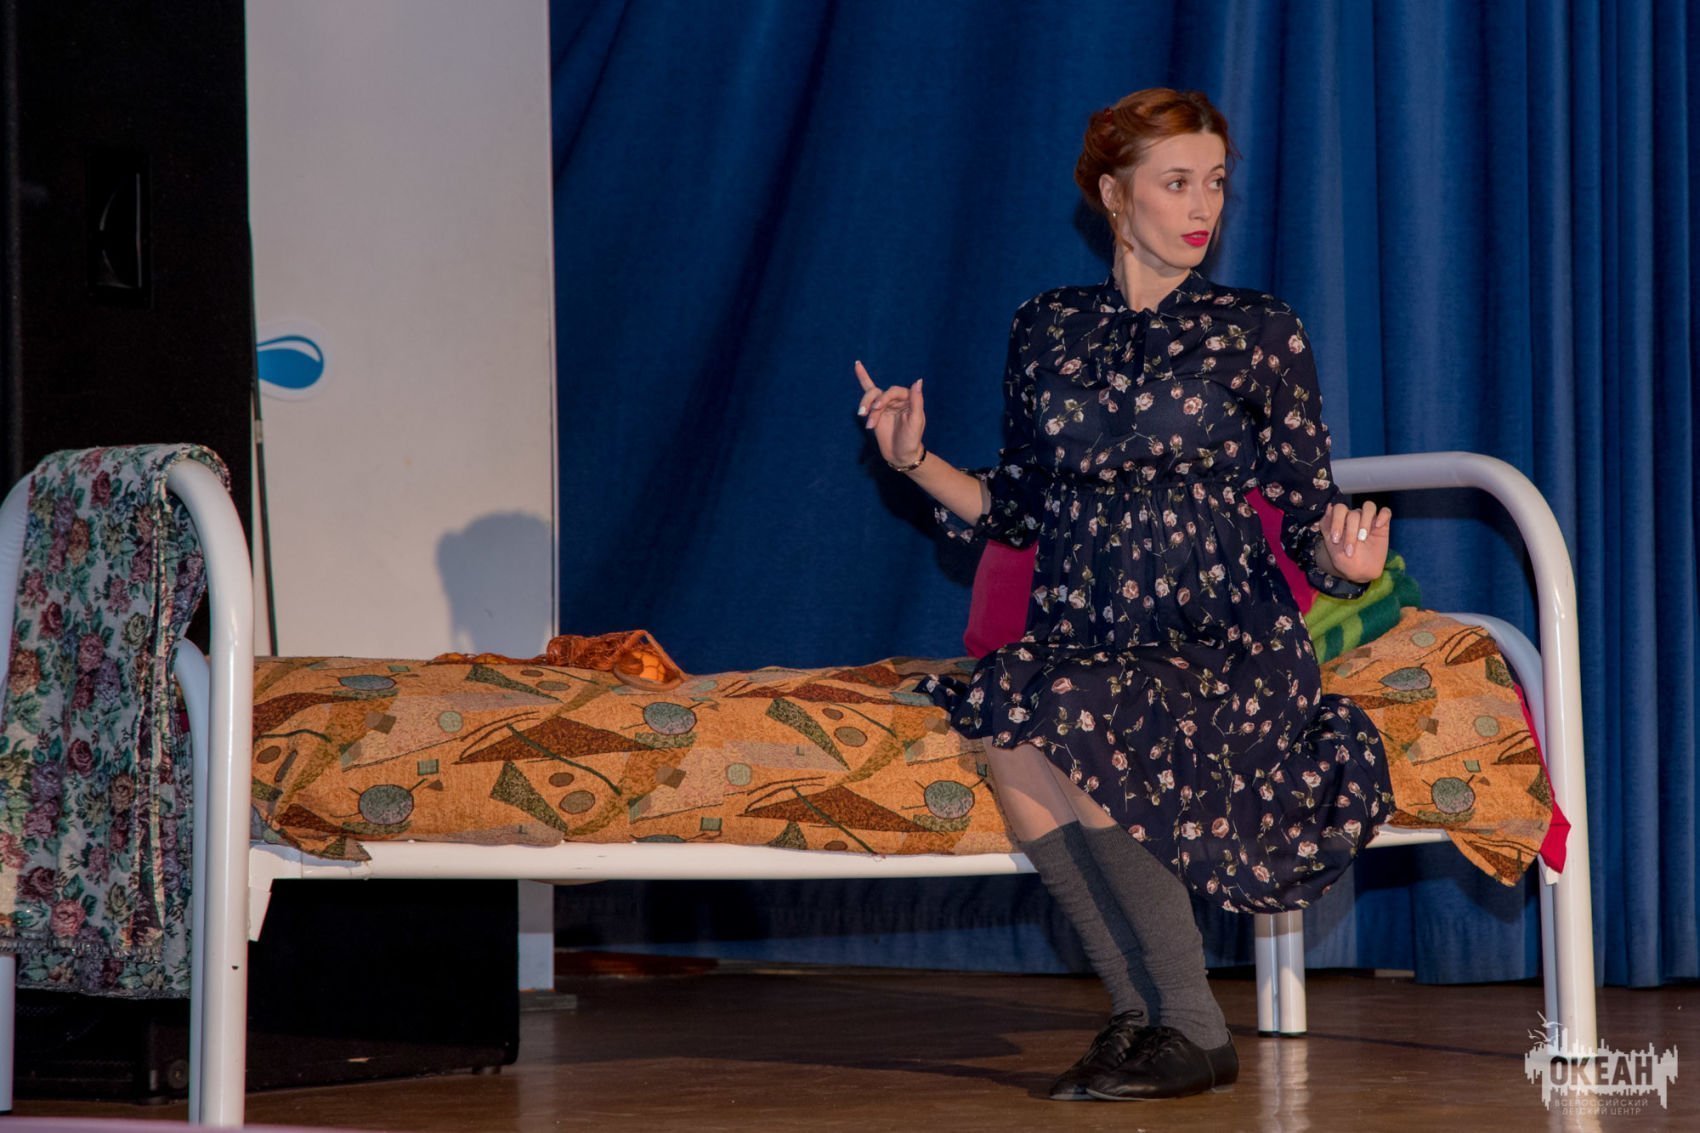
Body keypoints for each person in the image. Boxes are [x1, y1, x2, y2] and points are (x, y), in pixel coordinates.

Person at [853, 87, 1396, 1102]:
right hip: (1089, 628)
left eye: (1215, 183)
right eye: (1176, 182)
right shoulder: (1044, 327)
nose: (1203, 207)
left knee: (1077, 706)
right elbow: (1016, 505)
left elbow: (1304, 511)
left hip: (1223, 640)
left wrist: (1344, 568)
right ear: (1113, 194)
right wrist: (913, 458)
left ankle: (1190, 1020)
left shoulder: (1257, 329)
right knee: (1007, 712)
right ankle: (1140, 1015)